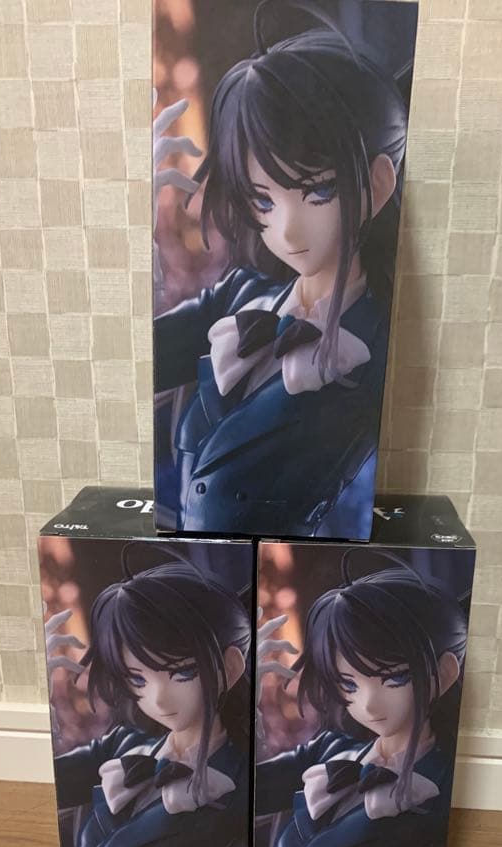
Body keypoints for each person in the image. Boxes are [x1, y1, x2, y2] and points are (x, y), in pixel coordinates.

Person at [153, 0, 410, 538]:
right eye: (263, 199)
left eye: (319, 190)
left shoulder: (384, 339)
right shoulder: (241, 294)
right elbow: (141, 358)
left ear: (378, 186)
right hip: (192, 566)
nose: (287, 230)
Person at [255, 553, 468, 847]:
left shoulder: (443, 779)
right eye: (348, 684)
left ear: (444, 675)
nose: (368, 704)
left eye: (393, 678)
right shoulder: (330, 750)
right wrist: (242, 690)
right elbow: (246, 790)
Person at [46, 547, 252, 847]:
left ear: (230, 669)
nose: (158, 698)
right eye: (137, 678)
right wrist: (47, 693)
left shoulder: (241, 772)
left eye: (182, 672)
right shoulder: (122, 745)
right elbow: (56, 779)